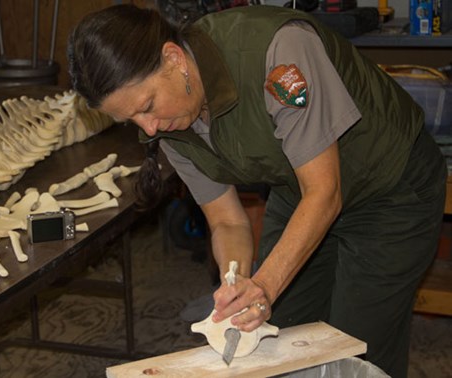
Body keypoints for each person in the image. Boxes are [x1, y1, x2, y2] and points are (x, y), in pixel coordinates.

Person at [67, 4, 446, 377]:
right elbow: (228, 223)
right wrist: (238, 283)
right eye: (130, 119)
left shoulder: (278, 52)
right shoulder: (167, 125)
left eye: (147, 105)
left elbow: (324, 193)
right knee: (276, 333)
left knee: (356, 345)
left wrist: (265, 284)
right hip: (298, 187)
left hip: (390, 188)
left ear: (174, 58)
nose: (148, 128)